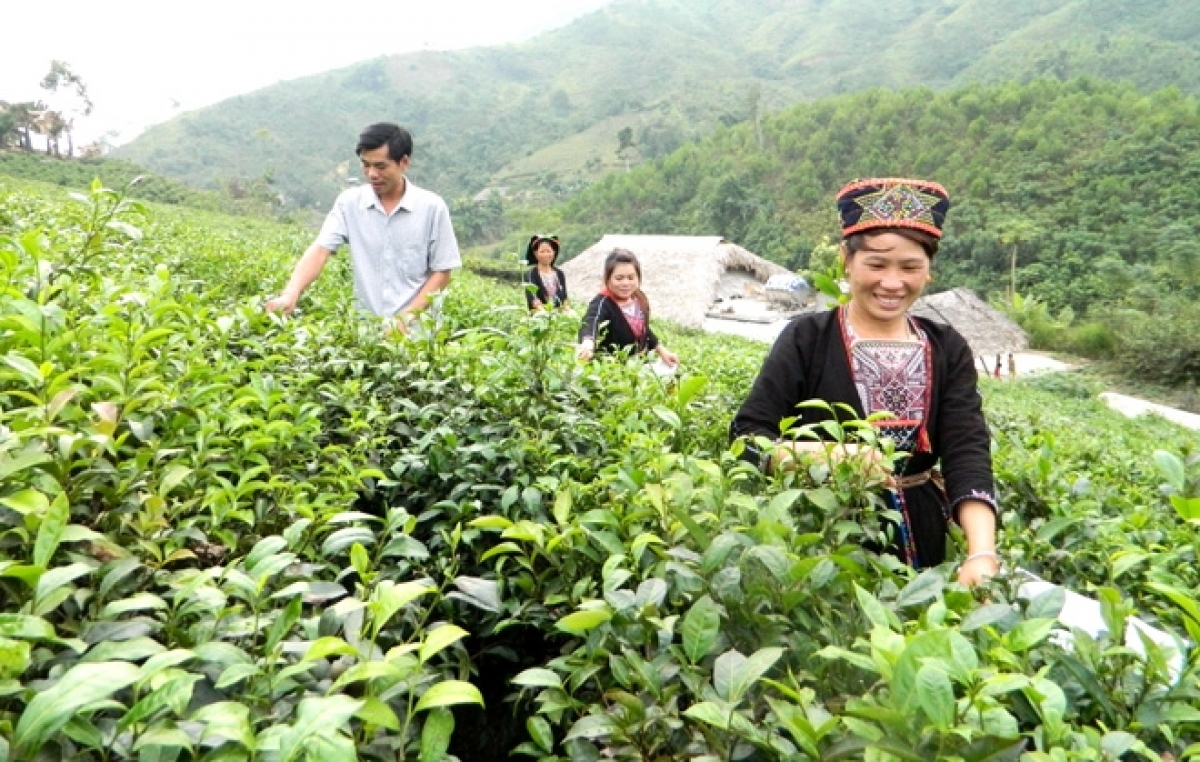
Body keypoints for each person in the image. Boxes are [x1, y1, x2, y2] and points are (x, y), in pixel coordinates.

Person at [731, 178, 999, 587]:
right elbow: (746, 441)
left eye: (910, 267)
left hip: (925, 536)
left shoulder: (946, 346)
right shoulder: (806, 340)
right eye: (876, 264)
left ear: (929, 271)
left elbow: (967, 449)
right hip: (823, 538)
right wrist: (832, 457)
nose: (892, 283)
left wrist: (981, 553)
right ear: (847, 260)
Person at [265, 122, 461, 332]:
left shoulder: (432, 208)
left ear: (404, 162)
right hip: (367, 335)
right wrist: (291, 292)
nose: (371, 174)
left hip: (417, 337)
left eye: (380, 166)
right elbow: (321, 249)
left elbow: (442, 272)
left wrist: (408, 317)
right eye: (366, 165)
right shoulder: (349, 203)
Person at [576, 248, 678, 368]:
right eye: (619, 278)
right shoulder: (602, 303)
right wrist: (588, 343)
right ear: (607, 279)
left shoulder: (638, 298)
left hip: (640, 365)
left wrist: (662, 351)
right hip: (615, 371)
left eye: (631, 278)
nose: (625, 283)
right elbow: (591, 321)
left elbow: (643, 329)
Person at [523, 234, 569, 311]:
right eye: (542, 251)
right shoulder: (531, 274)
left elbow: (564, 299)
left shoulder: (559, 273)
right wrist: (544, 313)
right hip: (539, 315)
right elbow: (533, 299)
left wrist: (568, 311)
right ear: (535, 253)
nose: (546, 254)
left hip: (558, 314)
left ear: (554, 253)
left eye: (548, 251)